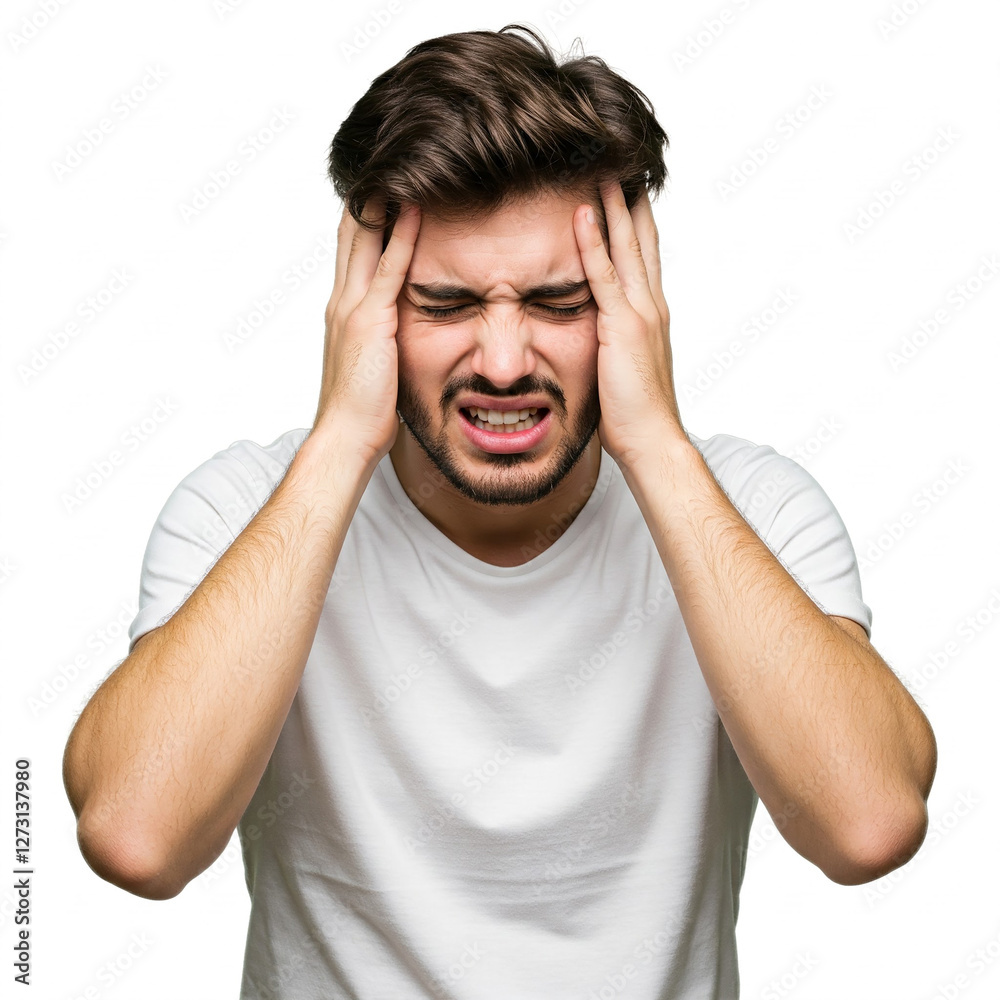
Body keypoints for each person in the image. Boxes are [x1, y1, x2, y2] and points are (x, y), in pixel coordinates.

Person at [62, 24, 937, 999]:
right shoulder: (242, 511)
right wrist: (342, 437)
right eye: (444, 305)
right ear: (367, 303)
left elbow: (869, 825)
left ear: (633, 300)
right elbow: (135, 837)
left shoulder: (751, 510)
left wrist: (653, 439)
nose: (506, 361)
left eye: (562, 302)